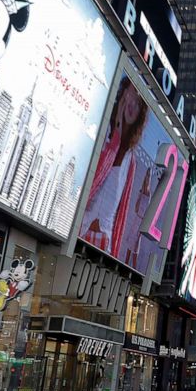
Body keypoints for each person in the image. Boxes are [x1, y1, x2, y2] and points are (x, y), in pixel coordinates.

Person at [82, 78, 148, 257]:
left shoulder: (130, 160)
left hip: (105, 241)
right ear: (121, 97)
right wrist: (117, 126)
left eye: (137, 103)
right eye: (129, 98)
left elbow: (122, 210)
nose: (131, 106)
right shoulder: (104, 135)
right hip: (81, 228)